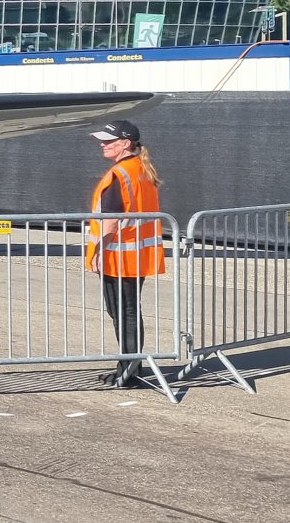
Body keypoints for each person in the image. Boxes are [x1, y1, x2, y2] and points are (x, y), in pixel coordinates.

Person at [86, 119, 166, 389]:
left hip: (118, 254)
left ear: (125, 143)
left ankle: (128, 371)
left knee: (122, 313)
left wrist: (99, 251)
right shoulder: (140, 169)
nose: (102, 144)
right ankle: (130, 368)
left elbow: (110, 220)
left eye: (108, 141)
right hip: (136, 253)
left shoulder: (119, 174)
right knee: (129, 311)